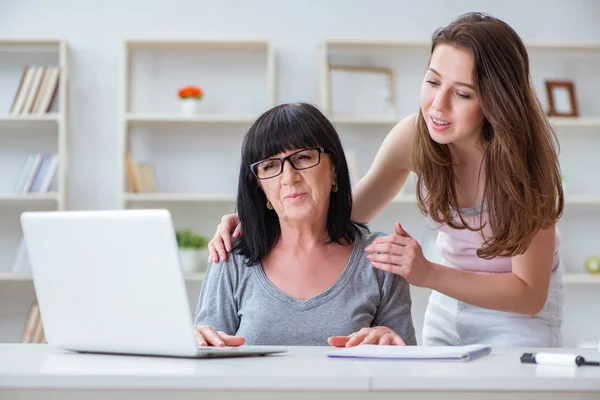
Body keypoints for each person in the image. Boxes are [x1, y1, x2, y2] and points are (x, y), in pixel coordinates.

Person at [208, 12, 565, 348]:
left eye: (462, 93)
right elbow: (346, 214)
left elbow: (529, 294)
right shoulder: (414, 136)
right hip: (450, 303)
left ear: (497, 100)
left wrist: (426, 273)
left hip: (518, 314)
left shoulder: (526, 164)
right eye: (432, 81)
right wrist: (258, 219)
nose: (437, 106)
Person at [193, 102, 416, 347]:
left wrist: (391, 340)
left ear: (334, 170)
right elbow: (208, 363)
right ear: (260, 187)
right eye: (270, 166)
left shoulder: (380, 259)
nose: (289, 177)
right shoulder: (231, 258)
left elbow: (404, 373)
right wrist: (193, 342)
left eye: (303, 157)